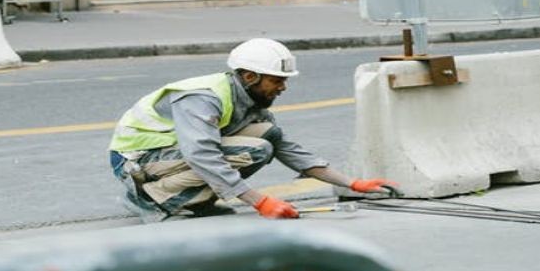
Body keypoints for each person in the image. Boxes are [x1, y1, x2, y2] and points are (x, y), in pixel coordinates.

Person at [108, 38, 397, 222]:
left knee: (268, 136)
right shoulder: (204, 98)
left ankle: (195, 202)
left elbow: (286, 147)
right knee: (254, 150)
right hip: (136, 160)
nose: (283, 87)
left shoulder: (247, 98)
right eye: (277, 80)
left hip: (167, 156)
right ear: (250, 76)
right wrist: (260, 202)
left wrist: (352, 183)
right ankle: (149, 198)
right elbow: (202, 155)